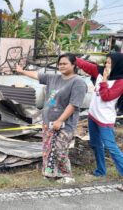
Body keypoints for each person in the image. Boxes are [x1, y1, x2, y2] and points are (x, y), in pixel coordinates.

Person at [16, 53, 87, 183]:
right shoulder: (53, 78)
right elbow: (37, 75)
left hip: (65, 124)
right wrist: (21, 71)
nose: (62, 66)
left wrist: (60, 121)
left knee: (60, 150)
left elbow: (73, 105)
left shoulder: (78, 82)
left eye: (65, 63)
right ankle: (50, 174)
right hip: (48, 122)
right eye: (59, 64)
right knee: (48, 150)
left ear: (74, 65)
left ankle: (67, 176)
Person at [76, 53, 123, 186]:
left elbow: (106, 96)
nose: (107, 66)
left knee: (111, 146)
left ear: (118, 65)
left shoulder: (120, 82)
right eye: (106, 62)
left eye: (110, 63)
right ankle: (101, 170)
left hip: (105, 120)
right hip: (93, 116)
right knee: (96, 145)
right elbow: (87, 66)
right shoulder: (100, 72)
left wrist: (105, 80)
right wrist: (73, 59)